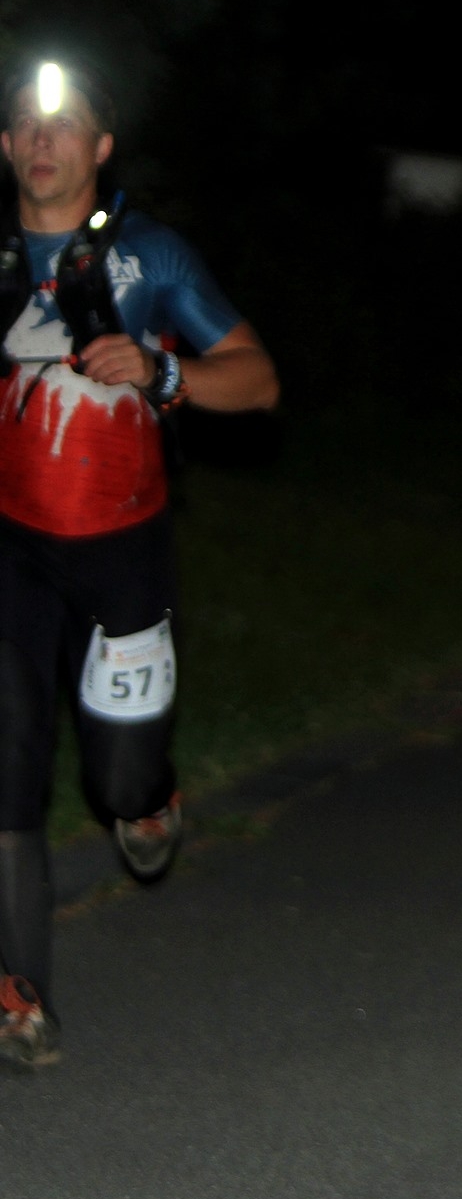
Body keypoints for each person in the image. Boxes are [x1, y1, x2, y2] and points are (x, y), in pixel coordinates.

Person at [0, 57, 279, 1065]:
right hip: (12, 559)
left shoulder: (150, 257)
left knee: (116, 783)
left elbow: (258, 381)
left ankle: (148, 792)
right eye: (26, 125)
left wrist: (163, 368)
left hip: (123, 554)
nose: (42, 141)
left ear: (100, 146)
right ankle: (17, 993)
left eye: (64, 124)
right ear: (5, 145)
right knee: (8, 768)